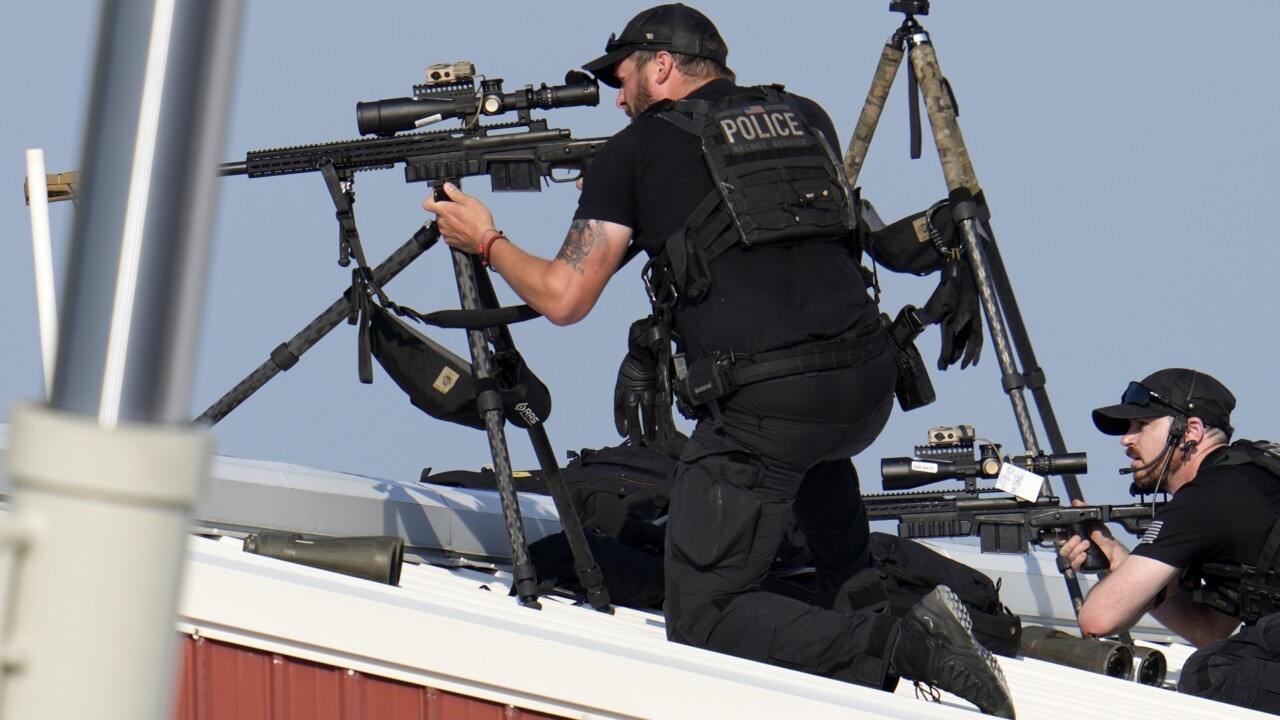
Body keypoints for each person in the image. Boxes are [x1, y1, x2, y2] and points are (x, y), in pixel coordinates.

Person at [424, 5, 1012, 716]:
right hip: (863, 385)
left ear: (662, 66)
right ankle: (871, 634)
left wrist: (485, 239)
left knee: (704, 616)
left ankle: (908, 648)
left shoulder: (633, 153)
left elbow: (564, 295)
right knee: (822, 501)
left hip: (769, 406)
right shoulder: (804, 116)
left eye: (623, 76)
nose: (618, 96)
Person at [1062, 368, 1280, 713]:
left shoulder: (1206, 497)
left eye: (1141, 425)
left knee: (1210, 673)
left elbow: (1097, 619)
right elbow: (1213, 630)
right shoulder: (1248, 474)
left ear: (1190, 430)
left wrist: (1122, 574)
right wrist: (1122, 562)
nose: (1126, 440)